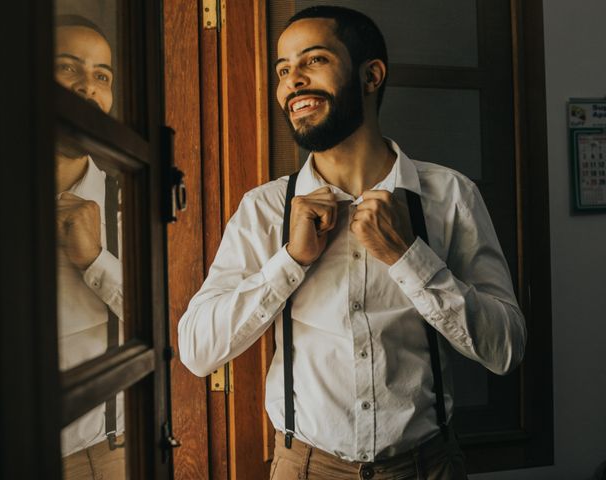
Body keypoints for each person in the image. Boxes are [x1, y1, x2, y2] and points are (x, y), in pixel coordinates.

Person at [179, 5, 526, 479]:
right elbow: (198, 350)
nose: (292, 81)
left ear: (371, 75)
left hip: (429, 467)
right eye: (283, 69)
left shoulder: (450, 196)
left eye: (313, 61)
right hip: (304, 469)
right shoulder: (264, 209)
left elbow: (506, 348)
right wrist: (290, 261)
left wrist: (410, 258)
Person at [54, 14, 125, 479]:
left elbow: (173, 334)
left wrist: (97, 261)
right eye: (67, 68)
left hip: (102, 457)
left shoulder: (129, 203)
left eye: (101, 75)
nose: (87, 87)